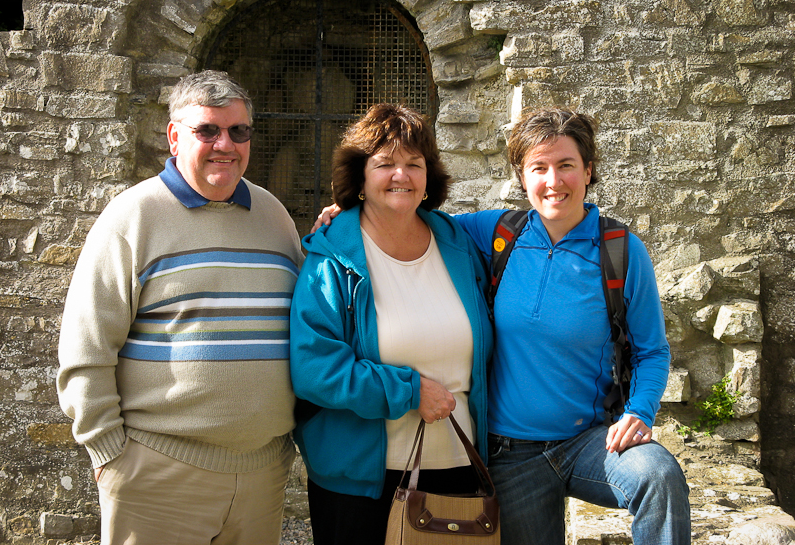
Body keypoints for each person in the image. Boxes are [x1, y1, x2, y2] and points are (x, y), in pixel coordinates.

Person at [313, 107, 691, 545]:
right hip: (510, 455)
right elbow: (409, 217)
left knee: (659, 476)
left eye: (567, 165)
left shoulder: (621, 251)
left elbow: (652, 350)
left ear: (588, 171)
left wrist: (640, 411)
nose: (554, 181)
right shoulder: (495, 233)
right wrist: (351, 211)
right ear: (522, 176)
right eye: (539, 167)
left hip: (591, 443)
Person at [56, 70, 304, 545]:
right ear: (174, 137)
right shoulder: (132, 217)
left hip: (262, 477)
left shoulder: (274, 217)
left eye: (238, 131)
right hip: (158, 478)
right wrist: (111, 454)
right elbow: (85, 348)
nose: (224, 144)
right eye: (207, 130)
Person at [289, 103, 495, 545]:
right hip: (360, 481)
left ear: (428, 178)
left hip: (459, 465)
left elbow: (534, 222)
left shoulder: (458, 242)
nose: (400, 175)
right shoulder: (332, 258)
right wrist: (408, 391)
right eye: (384, 164)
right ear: (360, 177)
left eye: (413, 164)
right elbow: (313, 369)